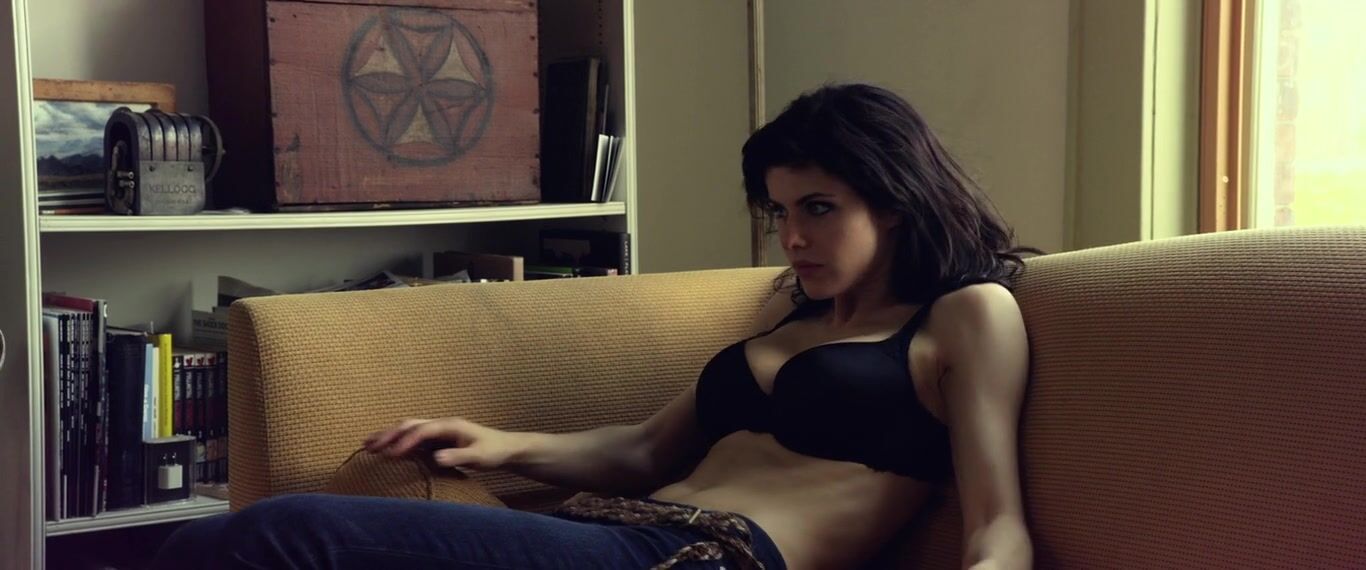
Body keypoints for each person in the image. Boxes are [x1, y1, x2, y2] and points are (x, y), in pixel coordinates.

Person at [153, 83, 1036, 570]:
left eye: (819, 208)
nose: (792, 237)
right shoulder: (790, 312)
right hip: (613, 529)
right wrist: (498, 444)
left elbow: (998, 524)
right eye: (779, 212)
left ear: (894, 200)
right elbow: (645, 449)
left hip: (711, 558)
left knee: (285, 537)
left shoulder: (966, 315)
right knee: (205, 545)